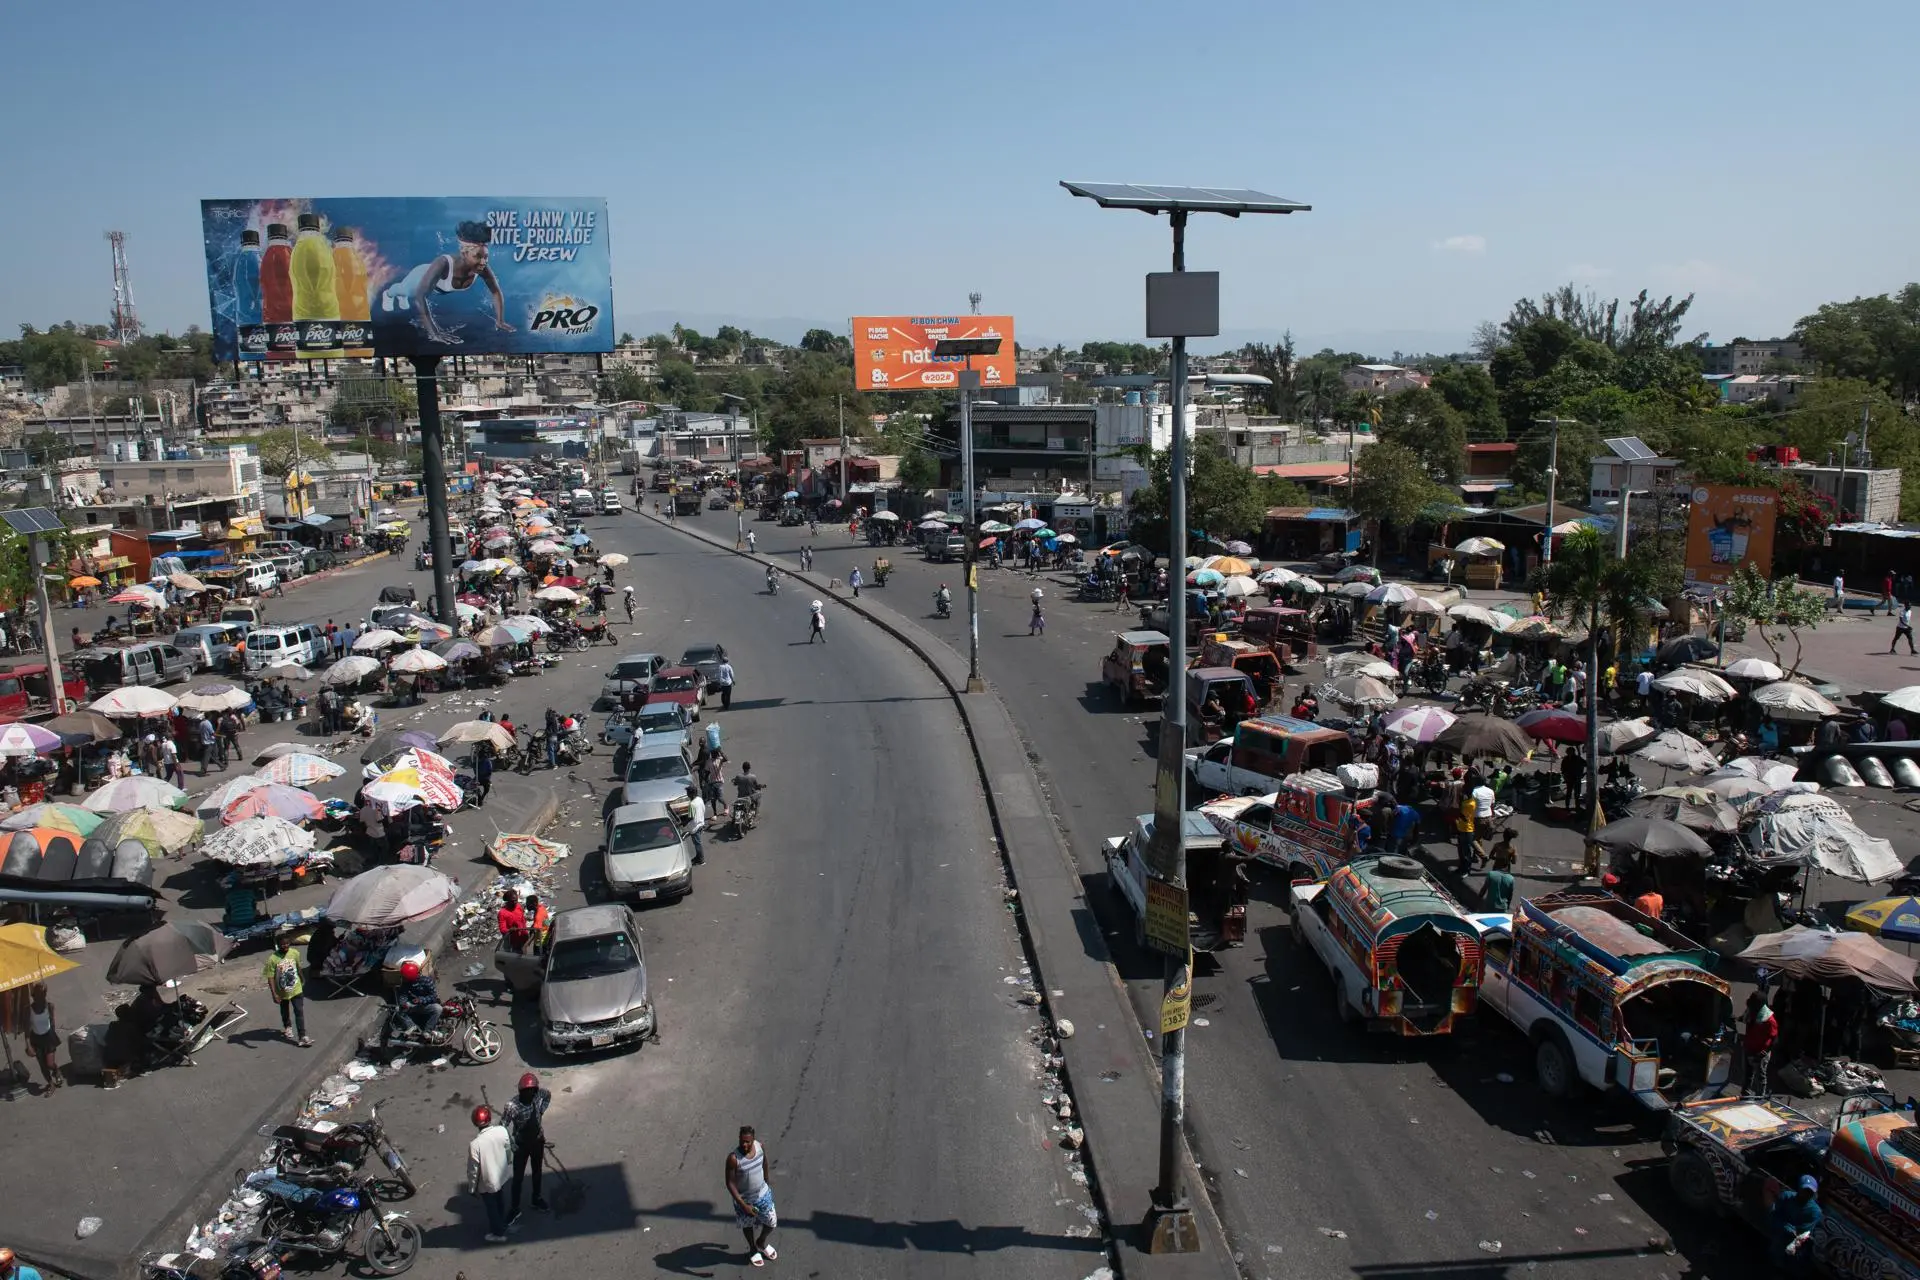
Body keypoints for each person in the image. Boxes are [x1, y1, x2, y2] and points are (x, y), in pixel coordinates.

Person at [380, 220, 513, 345]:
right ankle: (389, 294)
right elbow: (420, 296)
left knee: (408, 294)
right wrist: (434, 333)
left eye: (486, 257)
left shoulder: (482, 267)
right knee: (404, 290)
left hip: (439, 289)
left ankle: (401, 297)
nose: (483, 261)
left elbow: (495, 291)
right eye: (477, 256)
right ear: (464, 253)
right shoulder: (443, 263)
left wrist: (500, 321)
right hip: (419, 277)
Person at [726, 1125, 779, 1267]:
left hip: (763, 1195)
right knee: (748, 1225)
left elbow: (764, 1163)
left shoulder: (760, 1147)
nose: (744, 1144)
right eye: (742, 1141)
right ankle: (753, 1249)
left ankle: (761, 1242)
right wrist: (744, 1205)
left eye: (748, 1141)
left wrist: (766, 1181)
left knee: (771, 1222)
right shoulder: (733, 1158)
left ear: (753, 1140)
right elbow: (730, 1184)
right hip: (744, 1200)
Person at [503, 1071, 551, 1221]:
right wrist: (510, 1144)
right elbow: (503, 1126)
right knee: (517, 1179)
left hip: (537, 1142)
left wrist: (541, 1111)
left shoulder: (539, 1097)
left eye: (532, 1091)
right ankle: (515, 1208)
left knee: (537, 1172)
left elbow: (548, 1095)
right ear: (520, 1091)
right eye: (526, 1091)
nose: (530, 1094)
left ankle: (536, 1198)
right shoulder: (512, 1106)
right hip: (521, 1145)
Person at [467, 1105, 514, 1243]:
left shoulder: (475, 1145)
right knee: (500, 1200)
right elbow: (508, 1150)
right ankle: (502, 1222)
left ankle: (498, 1233)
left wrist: (471, 1188)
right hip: (502, 1175)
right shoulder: (501, 1130)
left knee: (491, 1207)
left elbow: (473, 1170)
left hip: (487, 1182)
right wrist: (508, 1165)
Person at [263, 935, 312, 1048]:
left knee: (299, 1011)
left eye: (287, 943)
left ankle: (302, 1036)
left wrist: (302, 977)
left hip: (296, 989)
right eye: (282, 944)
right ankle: (287, 1026)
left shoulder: (294, 953)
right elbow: (270, 977)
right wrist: (274, 994)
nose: (285, 946)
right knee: (285, 1011)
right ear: (278, 945)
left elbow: (298, 966)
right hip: (282, 992)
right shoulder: (272, 959)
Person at [1767, 1175, 1822, 1272]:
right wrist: (1784, 1226)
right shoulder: (1786, 1196)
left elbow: (1803, 1232)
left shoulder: (1815, 1211)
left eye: (1810, 1192)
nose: (1806, 1194)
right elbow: (1774, 1214)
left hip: (1798, 1243)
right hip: (1779, 1235)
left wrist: (1792, 1231)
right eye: (1804, 1190)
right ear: (1799, 1188)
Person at [25, 983, 60, 1093]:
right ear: (35, 995)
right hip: (36, 1039)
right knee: (42, 1065)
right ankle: (50, 1084)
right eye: (39, 994)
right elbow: (26, 1029)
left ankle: (56, 1070)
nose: (42, 997)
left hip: (48, 1037)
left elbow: (53, 1022)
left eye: (43, 994)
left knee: (50, 1063)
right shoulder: (29, 1010)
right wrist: (28, 1045)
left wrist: (53, 1034)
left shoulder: (50, 1006)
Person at [395, 960, 442, 1038]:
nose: (403, 978)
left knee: (438, 1009)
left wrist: (421, 1000)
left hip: (426, 1005)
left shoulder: (426, 981)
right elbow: (403, 995)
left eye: (404, 977)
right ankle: (411, 1026)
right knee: (397, 1009)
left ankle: (427, 1031)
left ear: (410, 977)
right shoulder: (405, 984)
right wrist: (403, 1003)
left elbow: (434, 996)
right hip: (413, 1005)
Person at [1743, 990, 1778, 1095]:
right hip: (1749, 1048)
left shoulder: (1769, 1020)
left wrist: (1764, 1052)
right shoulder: (1752, 1012)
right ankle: (1745, 1094)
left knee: (1760, 1077)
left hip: (1760, 1052)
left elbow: (1773, 1038)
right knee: (1748, 1074)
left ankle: (1760, 1098)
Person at [1454, 788, 1477, 874]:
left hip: (1466, 829)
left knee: (1465, 852)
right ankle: (1462, 868)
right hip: (1463, 828)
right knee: (1462, 850)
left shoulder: (1468, 804)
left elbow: (1462, 815)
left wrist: (1459, 802)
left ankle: (1466, 869)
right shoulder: (1471, 802)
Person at [685, 782, 707, 864]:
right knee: (697, 843)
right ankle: (698, 857)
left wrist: (683, 823)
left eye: (687, 793)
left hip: (695, 827)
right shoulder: (700, 799)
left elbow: (690, 817)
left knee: (697, 844)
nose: (687, 794)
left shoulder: (692, 804)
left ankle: (701, 860)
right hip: (701, 823)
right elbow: (703, 809)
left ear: (691, 794)